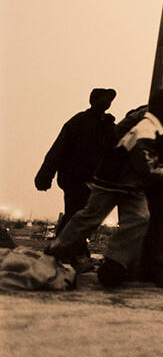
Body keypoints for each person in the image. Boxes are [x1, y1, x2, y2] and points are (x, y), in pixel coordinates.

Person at [45, 90, 163, 289]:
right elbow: (143, 161)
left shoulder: (157, 128)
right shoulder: (146, 128)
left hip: (131, 185)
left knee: (137, 219)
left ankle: (114, 262)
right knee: (90, 217)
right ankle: (56, 250)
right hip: (114, 182)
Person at [115, 79, 163, 287]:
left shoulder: (141, 113)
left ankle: (128, 264)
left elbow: (118, 131)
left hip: (137, 172)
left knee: (138, 219)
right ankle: (160, 268)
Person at [34, 88, 117, 270]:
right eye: (105, 99)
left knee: (77, 216)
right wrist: (45, 175)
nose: (108, 102)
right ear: (94, 100)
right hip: (74, 178)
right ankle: (77, 256)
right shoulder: (79, 122)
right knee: (76, 215)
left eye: (110, 100)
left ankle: (59, 251)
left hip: (93, 180)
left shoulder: (108, 126)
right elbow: (58, 149)